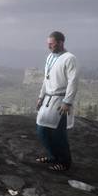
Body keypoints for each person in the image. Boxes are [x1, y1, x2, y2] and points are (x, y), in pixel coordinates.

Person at [35, 31, 78, 172]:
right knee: (41, 130)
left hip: (61, 100)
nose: (49, 47)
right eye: (48, 44)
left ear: (61, 42)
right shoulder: (50, 57)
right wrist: (41, 97)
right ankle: (54, 156)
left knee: (59, 134)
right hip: (48, 98)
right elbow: (46, 79)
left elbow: (73, 82)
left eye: (51, 44)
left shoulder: (69, 58)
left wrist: (67, 102)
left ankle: (65, 162)